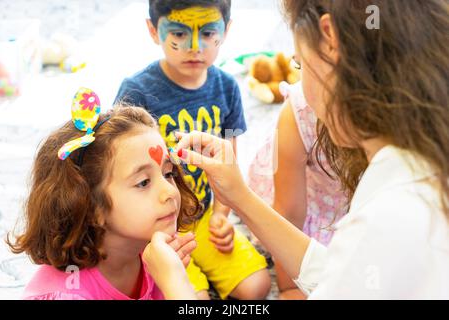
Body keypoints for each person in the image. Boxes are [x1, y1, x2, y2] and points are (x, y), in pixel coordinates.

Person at [173, 0, 449, 299]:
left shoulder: (385, 218)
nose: (299, 89)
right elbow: (339, 274)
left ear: (329, 40)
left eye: (300, 65)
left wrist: (177, 290)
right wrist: (239, 197)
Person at [114, 0, 270, 300]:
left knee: (257, 288)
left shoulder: (227, 88)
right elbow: (121, 174)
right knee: (193, 301)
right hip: (158, 225)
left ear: (227, 30)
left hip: (204, 214)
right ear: (153, 30)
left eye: (209, 33)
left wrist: (221, 216)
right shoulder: (135, 92)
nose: (195, 47)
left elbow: (228, 163)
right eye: (180, 34)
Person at [7, 89, 200, 300]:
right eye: (143, 182)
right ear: (90, 206)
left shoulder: (155, 258)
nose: (170, 191)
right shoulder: (67, 295)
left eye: (168, 173)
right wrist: (174, 282)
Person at [248, 81, 347, 300]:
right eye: (296, 64)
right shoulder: (300, 110)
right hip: (311, 201)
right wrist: (289, 287)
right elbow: (288, 211)